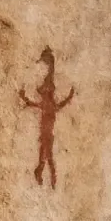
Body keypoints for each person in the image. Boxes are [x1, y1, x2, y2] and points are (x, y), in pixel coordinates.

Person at [19, 46, 74, 189]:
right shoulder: (48, 105)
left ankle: (49, 176)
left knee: (45, 157)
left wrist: (24, 98)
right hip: (46, 135)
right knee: (45, 157)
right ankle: (50, 177)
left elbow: (34, 103)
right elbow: (36, 103)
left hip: (46, 135)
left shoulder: (47, 105)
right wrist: (69, 97)